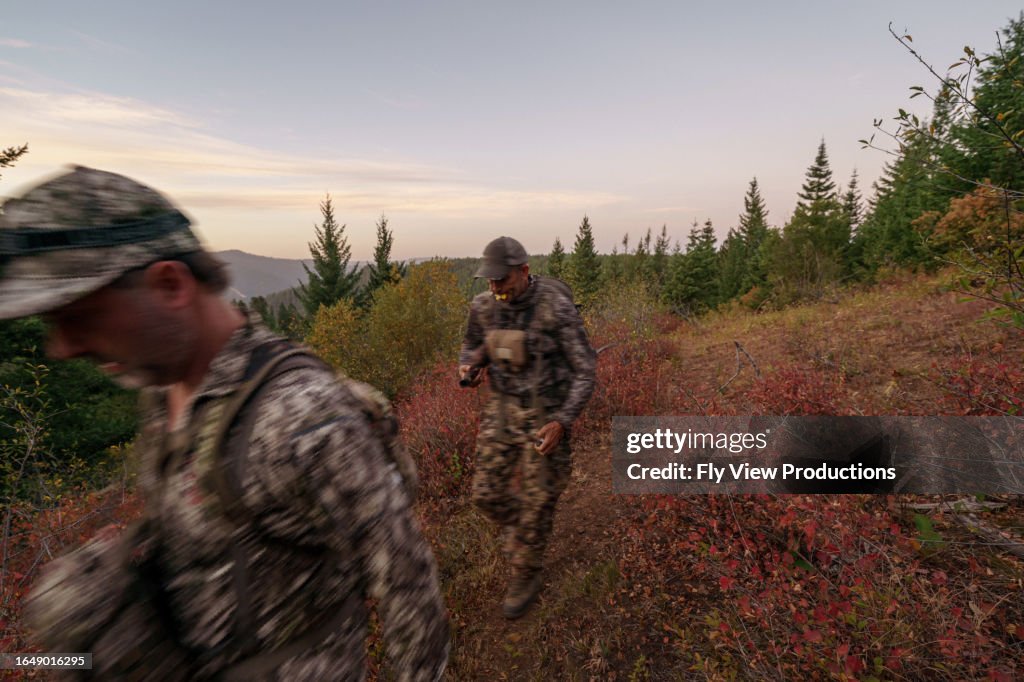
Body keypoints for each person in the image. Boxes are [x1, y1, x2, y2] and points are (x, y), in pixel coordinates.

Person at [2, 166, 449, 681]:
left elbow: (408, 587)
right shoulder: (164, 388)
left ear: (170, 284)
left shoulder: (302, 419)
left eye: (79, 316)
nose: (62, 348)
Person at [458, 236, 596, 619]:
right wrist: (469, 366)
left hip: (546, 411)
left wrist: (562, 422)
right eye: (489, 280)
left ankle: (526, 571)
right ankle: (524, 531)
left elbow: (586, 371)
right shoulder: (483, 306)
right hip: (501, 408)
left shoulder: (556, 309)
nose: (494, 287)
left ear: (524, 271)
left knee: (540, 500)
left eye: (501, 279)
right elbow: (471, 345)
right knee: (485, 495)